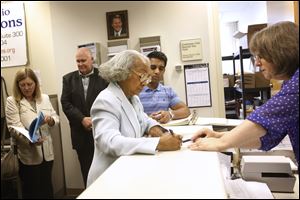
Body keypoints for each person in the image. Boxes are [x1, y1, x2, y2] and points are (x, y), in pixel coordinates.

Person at [189, 21, 299, 166]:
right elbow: (268, 137)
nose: (257, 63)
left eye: (261, 57)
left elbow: (264, 117)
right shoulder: (289, 81)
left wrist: (222, 142)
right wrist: (220, 136)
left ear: (280, 53)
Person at [87, 50, 182, 187]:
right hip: (107, 180)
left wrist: (157, 130)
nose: (145, 82)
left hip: (126, 174)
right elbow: (109, 142)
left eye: (148, 78)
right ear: (123, 72)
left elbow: (144, 120)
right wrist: (158, 143)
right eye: (142, 76)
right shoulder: (106, 100)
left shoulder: (133, 98)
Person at [5, 67, 59, 199]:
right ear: (18, 85)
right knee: (32, 190)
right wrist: (31, 139)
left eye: (30, 84)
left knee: (47, 188)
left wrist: (51, 120)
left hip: (47, 153)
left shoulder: (44, 98)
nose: (27, 88)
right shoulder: (13, 101)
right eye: (22, 85)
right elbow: (14, 127)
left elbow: (56, 118)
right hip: (28, 154)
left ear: (36, 84)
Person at [61, 47, 108, 187]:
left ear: (92, 59)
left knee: (105, 172)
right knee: (86, 171)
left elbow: (109, 100)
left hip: (102, 131)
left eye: (83, 60)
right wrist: (82, 119)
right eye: (78, 61)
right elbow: (65, 103)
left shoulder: (104, 76)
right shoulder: (68, 79)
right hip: (81, 135)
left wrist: (94, 119)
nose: (80, 64)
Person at [139, 51, 190, 124]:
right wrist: (147, 119)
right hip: (142, 132)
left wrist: (170, 114)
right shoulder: (136, 90)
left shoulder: (168, 91)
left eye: (161, 68)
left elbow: (186, 110)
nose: (157, 71)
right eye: (153, 67)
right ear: (146, 68)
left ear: (164, 71)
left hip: (163, 131)